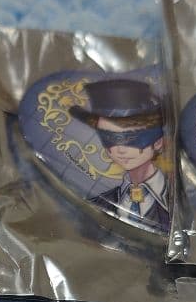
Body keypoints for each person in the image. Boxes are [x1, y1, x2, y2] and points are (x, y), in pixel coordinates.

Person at [69, 79, 170, 233]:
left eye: (131, 138)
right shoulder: (97, 206)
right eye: (109, 137)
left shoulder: (179, 201)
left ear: (157, 142)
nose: (120, 150)